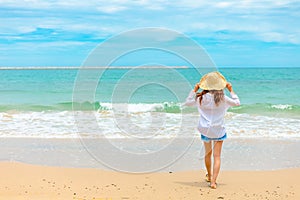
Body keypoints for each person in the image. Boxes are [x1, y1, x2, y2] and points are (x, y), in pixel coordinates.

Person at [185, 71, 240, 189]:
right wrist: (231, 90)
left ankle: (209, 176)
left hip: (205, 130)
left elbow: (188, 102)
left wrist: (194, 90)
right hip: (219, 130)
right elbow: (237, 103)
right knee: (217, 156)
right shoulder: (222, 98)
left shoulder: (201, 98)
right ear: (220, 85)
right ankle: (213, 182)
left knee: (207, 154)